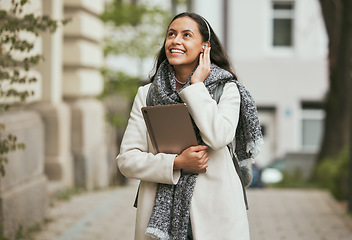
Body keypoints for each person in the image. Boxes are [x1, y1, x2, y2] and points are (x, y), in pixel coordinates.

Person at [116, 12, 263, 240]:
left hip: (216, 214)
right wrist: (176, 163)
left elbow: (218, 137)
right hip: (158, 218)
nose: (176, 41)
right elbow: (127, 160)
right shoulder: (147, 94)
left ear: (205, 47)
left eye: (186, 35)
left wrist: (196, 87)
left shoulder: (227, 89)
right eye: (171, 34)